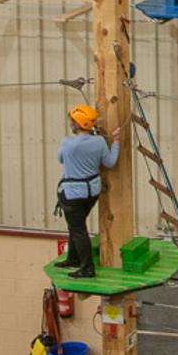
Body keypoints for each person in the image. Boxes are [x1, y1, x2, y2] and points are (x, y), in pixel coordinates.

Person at [54, 104, 120, 279]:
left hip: (73, 194)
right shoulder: (99, 142)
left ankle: (87, 268)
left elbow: (60, 159)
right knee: (76, 226)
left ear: (77, 124)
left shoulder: (67, 143)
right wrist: (116, 142)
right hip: (92, 192)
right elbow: (110, 162)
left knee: (78, 229)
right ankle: (73, 258)